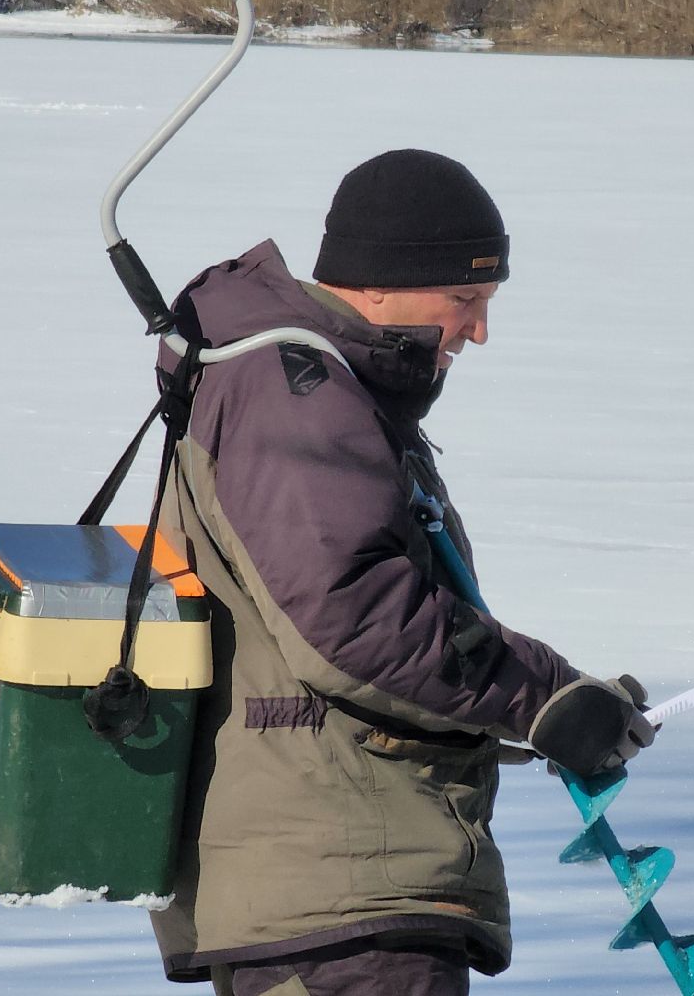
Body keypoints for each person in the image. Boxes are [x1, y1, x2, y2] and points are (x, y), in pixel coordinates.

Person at [149, 149, 655, 996]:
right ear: (379, 283)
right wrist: (542, 698)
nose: (479, 330)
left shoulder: (316, 384)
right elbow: (351, 618)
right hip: (341, 889)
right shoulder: (296, 392)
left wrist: (554, 703)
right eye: (465, 299)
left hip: (342, 882)